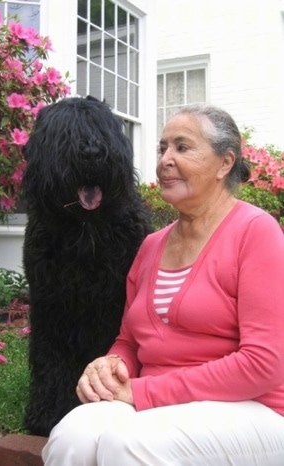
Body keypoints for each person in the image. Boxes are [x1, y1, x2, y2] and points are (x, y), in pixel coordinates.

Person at [42, 104, 284, 465]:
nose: (165, 160)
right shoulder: (151, 245)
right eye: (162, 148)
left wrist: (141, 392)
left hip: (254, 409)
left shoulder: (256, 233)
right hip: (160, 405)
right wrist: (110, 367)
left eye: (182, 148)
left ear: (224, 163)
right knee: (71, 437)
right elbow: (129, 341)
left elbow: (265, 363)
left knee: (130, 443)